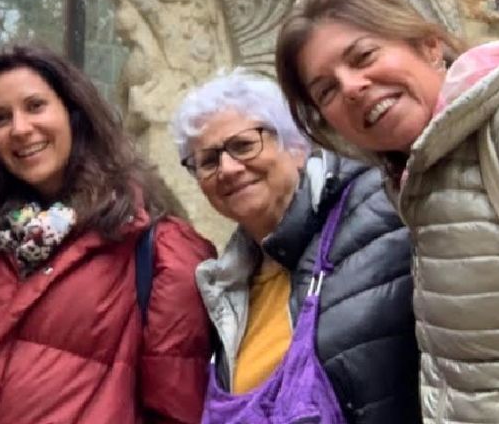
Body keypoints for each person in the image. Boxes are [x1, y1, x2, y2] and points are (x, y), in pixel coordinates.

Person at [275, 0, 499, 423]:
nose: (352, 87)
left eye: (364, 56)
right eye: (327, 90)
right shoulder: (418, 182)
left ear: (429, 45)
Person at [0, 45, 216, 424]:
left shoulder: (158, 247)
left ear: (74, 113)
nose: (20, 129)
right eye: (0, 118)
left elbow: (178, 405)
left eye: (35, 106)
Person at [171, 70, 419, 424]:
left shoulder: (381, 210)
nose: (227, 168)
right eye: (208, 161)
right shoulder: (226, 287)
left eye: (243, 145)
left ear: (297, 147)